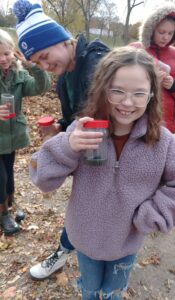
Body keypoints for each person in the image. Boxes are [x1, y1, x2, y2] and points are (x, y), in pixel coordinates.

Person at [29, 46, 175, 299]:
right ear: (102, 89)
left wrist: (150, 216)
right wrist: (67, 146)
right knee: (89, 289)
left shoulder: (161, 141)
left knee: (113, 293)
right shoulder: (84, 130)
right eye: (117, 90)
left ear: (151, 95)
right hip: (85, 238)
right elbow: (42, 178)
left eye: (138, 93)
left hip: (126, 243)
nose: (127, 102)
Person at [13, 0, 110, 279]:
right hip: (90, 151)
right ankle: (71, 250)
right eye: (37, 62)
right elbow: (78, 116)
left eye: (44, 56)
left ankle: (101, 257)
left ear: (62, 41)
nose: (44, 65)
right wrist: (62, 126)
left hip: (105, 153)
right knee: (83, 206)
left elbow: (102, 117)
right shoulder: (67, 72)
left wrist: (67, 137)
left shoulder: (95, 63)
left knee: (93, 206)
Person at [0, 29, 50, 235]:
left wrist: (33, 66)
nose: (3, 59)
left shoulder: (19, 75)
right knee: (0, 177)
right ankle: (3, 214)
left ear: (14, 53)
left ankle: (10, 206)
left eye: (6, 53)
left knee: (9, 174)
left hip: (12, 136)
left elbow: (41, 87)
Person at [131, 2, 175, 133]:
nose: (166, 37)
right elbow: (120, 82)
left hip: (165, 125)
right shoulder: (135, 49)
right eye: (161, 32)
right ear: (151, 29)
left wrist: (173, 85)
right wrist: (149, 80)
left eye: (170, 33)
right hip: (136, 121)